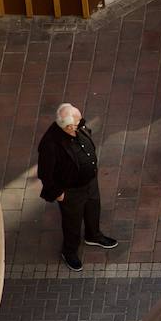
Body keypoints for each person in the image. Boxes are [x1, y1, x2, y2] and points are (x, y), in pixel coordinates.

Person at [37, 103, 118, 272]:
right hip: (71, 191)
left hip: (90, 183)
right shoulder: (50, 144)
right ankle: (69, 251)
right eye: (77, 122)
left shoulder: (78, 126)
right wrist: (58, 193)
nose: (82, 123)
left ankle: (93, 235)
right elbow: (45, 173)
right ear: (68, 127)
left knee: (93, 210)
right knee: (72, 223)